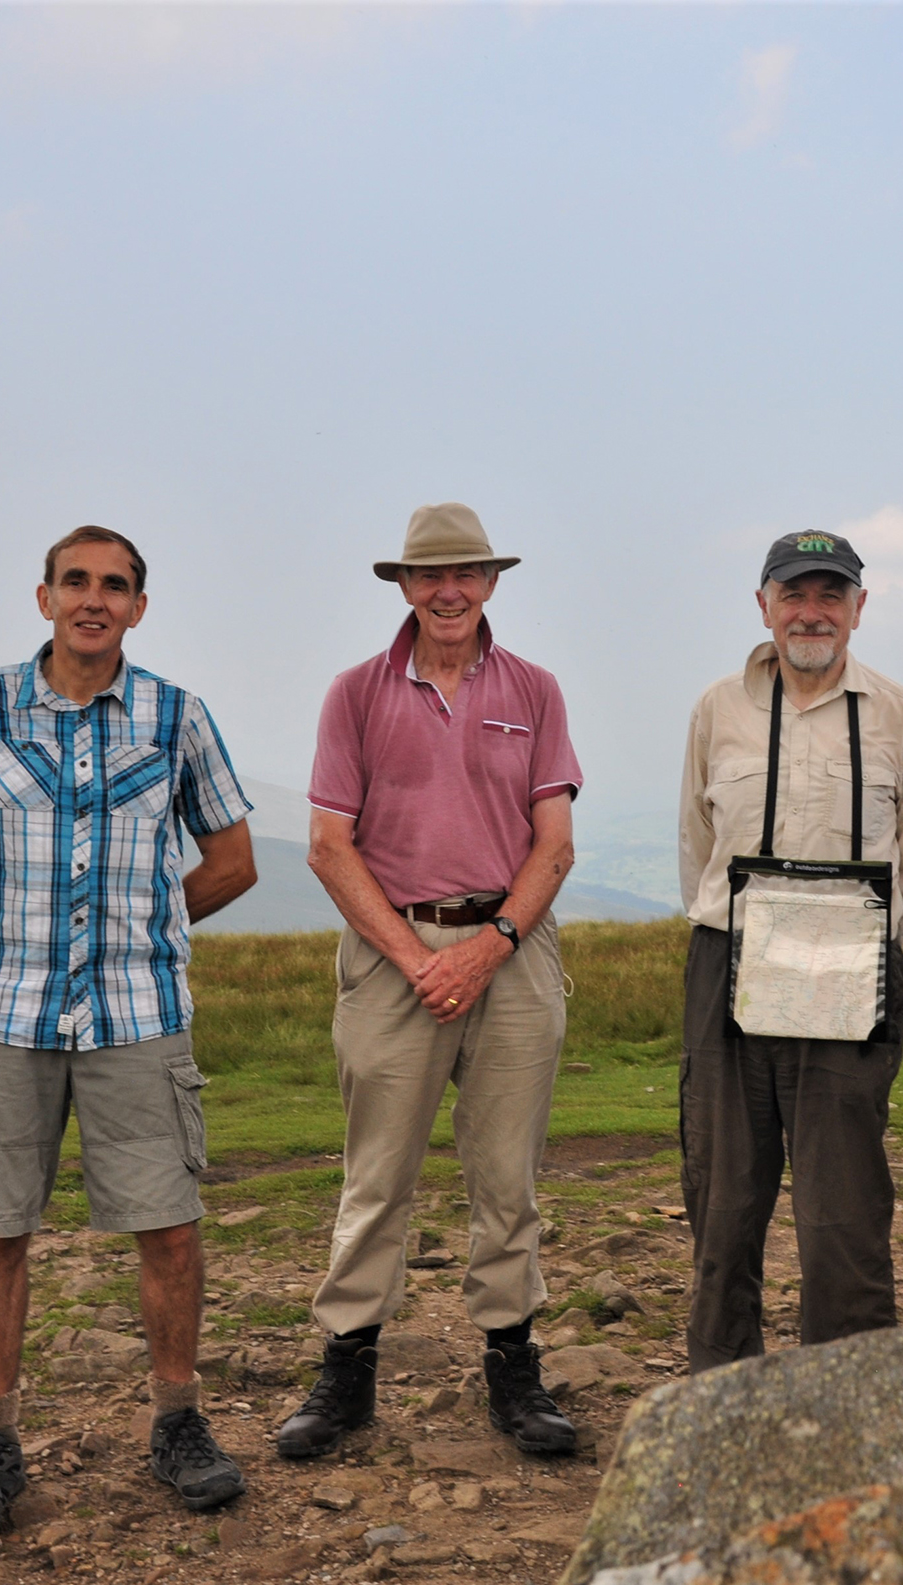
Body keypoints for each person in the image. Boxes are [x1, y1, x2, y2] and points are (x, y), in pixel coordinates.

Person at [0, 526, 258, 1537]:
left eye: (115, 586)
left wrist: (148, 923)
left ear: (138, 608)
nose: (93, 599)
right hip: (5, 1016)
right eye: (76, 581)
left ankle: (178, 1423)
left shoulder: (174, 716)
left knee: (169, 1226)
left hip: (135, 1017)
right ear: (44, 596)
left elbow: (232, 858)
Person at [280, 502, 582, 1459]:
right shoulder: (355, 694)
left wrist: (487, 946)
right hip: (392, 955)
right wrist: (418, 961)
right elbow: (329, 847)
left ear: (492, 581)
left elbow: (555, 845)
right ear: (404, 586)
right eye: (429, 575)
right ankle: (346, 1375)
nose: (448, 591)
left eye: (466, 573)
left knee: (509, 1176)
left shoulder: (535, 690)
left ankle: (512, 1369)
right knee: (376, 1176)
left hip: (512, 947)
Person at [677, 531, 903, 1371]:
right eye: (794, 593)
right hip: (728, 965)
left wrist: (847, 952)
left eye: (831, 594)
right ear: (763, 604)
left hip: (851, 968)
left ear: (860, 608)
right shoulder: (717, 709)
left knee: (844, 1209)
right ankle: (722, 1393)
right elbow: (698, 847)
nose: (811, 611)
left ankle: (849, 1394)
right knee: (723, 1198)